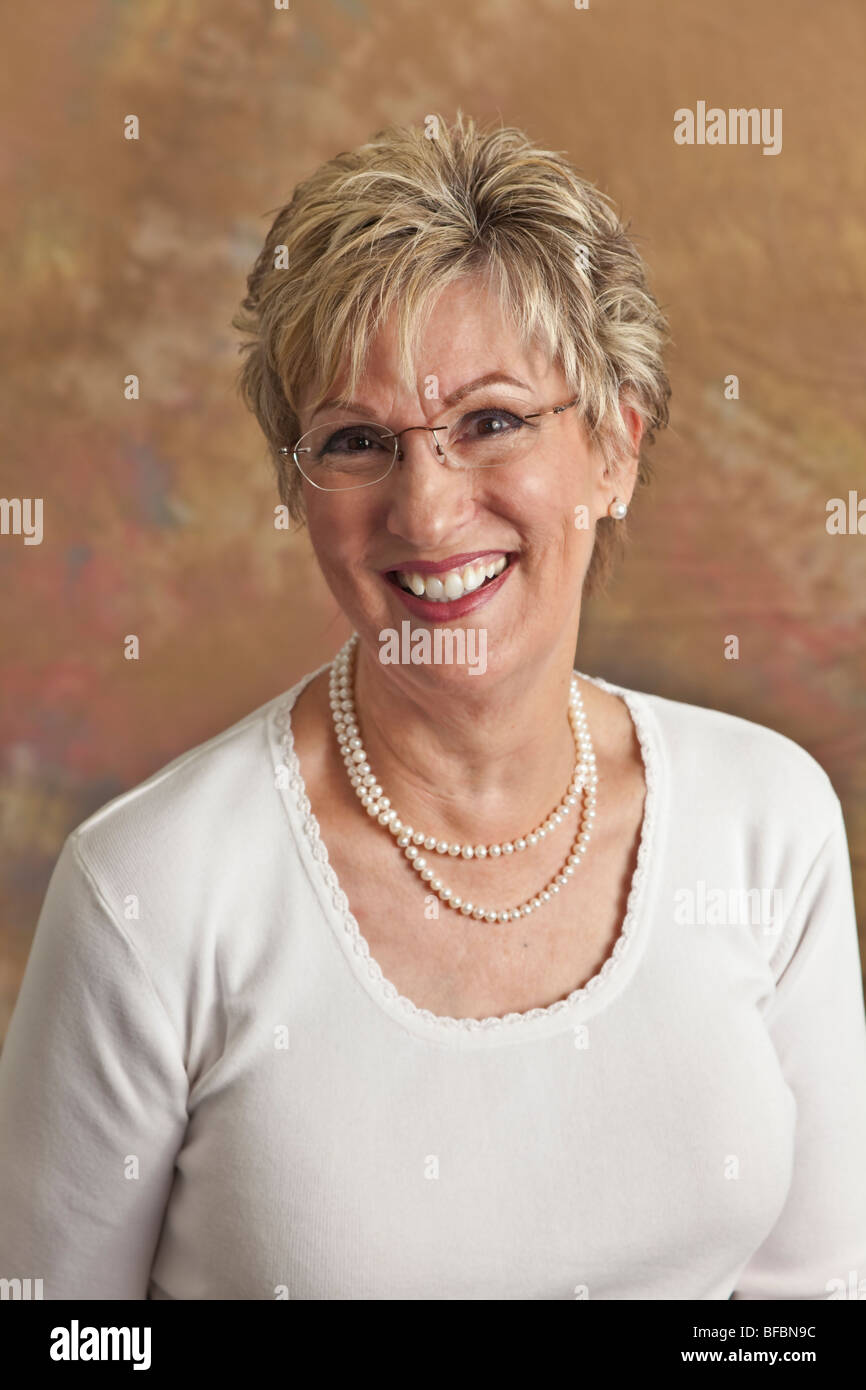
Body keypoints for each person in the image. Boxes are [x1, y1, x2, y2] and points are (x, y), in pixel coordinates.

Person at [1, 114, 865, 1300]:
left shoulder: (766, 820)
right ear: (301, 491)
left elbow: (806, 1304)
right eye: (355, 440)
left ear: (613, 445)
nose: (425, 507)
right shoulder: (149, 892)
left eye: (491, 420)